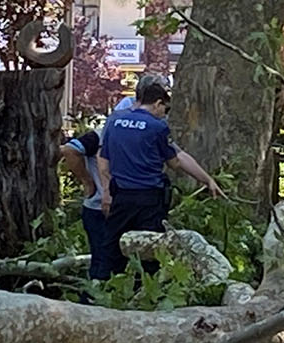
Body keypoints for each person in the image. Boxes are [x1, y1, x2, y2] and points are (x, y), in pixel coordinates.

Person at [96, 79, 224, 280]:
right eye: (165, 109)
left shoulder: (114, 122)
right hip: (149, 199)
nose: (165, 114)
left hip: (121, 196)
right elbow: (175, 162)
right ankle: (145, 288)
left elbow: (103, 163)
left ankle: (103, 285)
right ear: (157, 103)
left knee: (113, 247)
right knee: (151, 250)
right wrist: (207, 180)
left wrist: (108, 188)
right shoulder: (157, 127)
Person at [60, 130, 106, 280]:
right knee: (101, 257)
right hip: (98, 207)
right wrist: (87, 181)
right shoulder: (98, 136)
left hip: (125, 206)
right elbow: (69, 150)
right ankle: (96, 288)